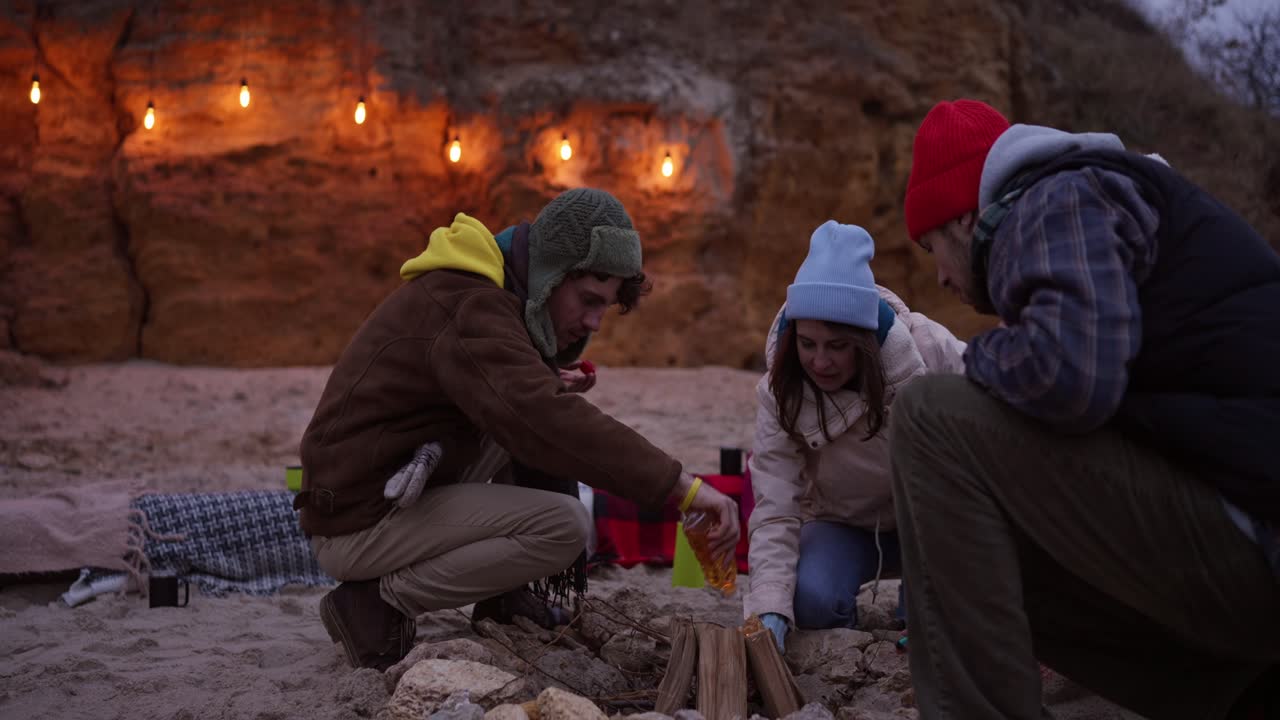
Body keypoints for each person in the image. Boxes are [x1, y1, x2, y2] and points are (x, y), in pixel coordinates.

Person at [893, 99, 1280, 719]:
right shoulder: (1103, 202)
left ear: (966, 218)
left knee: (930, 416)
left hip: (1255, 544)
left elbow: (1070, 378)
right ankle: (1235, 693)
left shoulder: (1057, 200)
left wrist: (980, 356)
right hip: (1246, 544)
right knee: (998, 542)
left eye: (930, 244)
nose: (938, 276)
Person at [295, 188, 741, 671]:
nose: (595, 322)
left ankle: (505, 596)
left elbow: (525, 407)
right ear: (551, 275)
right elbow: (545, 419)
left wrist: (542, 381)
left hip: (374, 498)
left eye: (606, 307)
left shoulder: (487, 294)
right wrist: (685, 489)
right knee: (563, 525)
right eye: (588, 300)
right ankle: (377, 603)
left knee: (523, 418)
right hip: (355, 524)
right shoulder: (471, 305)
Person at [743, 220, 965, 652]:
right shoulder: (780, 391)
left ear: (863, 340)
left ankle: (917, 608)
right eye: (807, 343)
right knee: (811, 602)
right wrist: (769, 605)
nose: (819, 362)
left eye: (837, 346)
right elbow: (775, 506)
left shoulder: (930, 349)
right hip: (841, 524)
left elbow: (1000, 412)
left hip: (933, 523)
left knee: (934, 622)